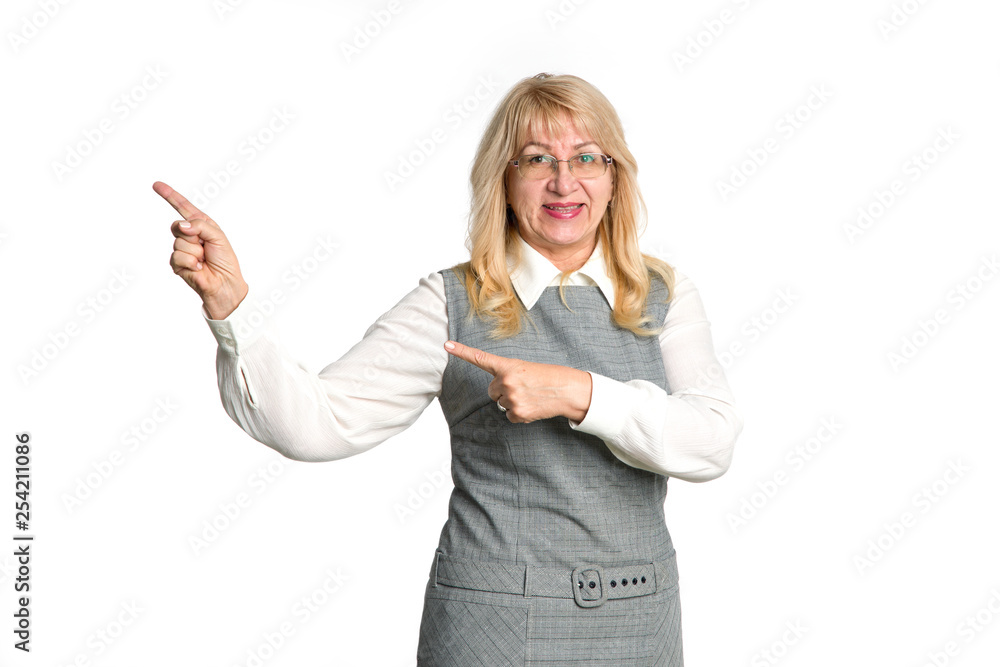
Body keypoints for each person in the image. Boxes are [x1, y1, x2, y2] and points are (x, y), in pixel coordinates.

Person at [155, 72, 742, 665]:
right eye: (536, 159)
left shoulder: (665, 293)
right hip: (491, 629)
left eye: (587, 157)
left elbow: (712, 441)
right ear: (504, 180)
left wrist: (579, 394)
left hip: (639, 624)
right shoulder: (450, 300)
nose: (564, 181)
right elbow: (318, 424)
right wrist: (233, 308)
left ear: (615, 177)